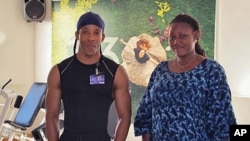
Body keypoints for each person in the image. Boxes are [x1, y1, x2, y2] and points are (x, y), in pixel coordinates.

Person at [134, 13, 237, 141]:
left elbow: (222, 119)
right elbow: (146, 111)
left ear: (195, 35)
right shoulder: (161, 70)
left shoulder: (211, 70)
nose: (176, 42)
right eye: (172, 37)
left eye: (182, 36)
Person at [45, 11, 131, 141]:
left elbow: (125, 116)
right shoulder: (59, 71)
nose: (91, 38)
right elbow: (51, 116)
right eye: (85, 32)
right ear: (77, 35)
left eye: (96, 32)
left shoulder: (116, 72)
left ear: (102, 37)